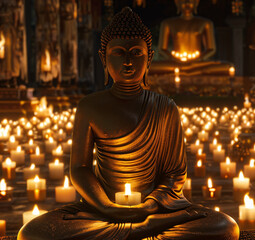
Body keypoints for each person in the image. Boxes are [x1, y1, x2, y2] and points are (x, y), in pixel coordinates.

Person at [18, 7, 239, 240]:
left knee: (225, 226)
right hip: (103, 208)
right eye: (118, 53)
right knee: (32, 233)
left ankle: (139, 227)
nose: (128, 62)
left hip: (154, 208)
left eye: (136, 53)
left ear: (149, 58)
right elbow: (80, 169)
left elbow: (175, 173)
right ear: (104, 57)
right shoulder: (89, 106)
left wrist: (150, 206)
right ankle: (144, 230)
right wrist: (106, 207)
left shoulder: (165, 107)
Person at [149, 0, 233, 76]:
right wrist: (174, 58)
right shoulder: (167, 23)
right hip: (176, 62)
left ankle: (187, 71)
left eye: (191, 0)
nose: (187, 3)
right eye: (183, 0)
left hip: (197, 63)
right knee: (149, 67)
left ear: (196, 3)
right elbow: (162, 49)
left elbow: (211, 49)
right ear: (177, 2)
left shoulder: (206, 23)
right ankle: (190, 71)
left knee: (228, 66)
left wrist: (199, 59)